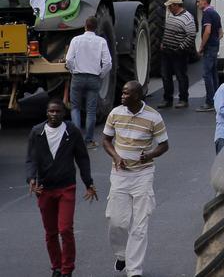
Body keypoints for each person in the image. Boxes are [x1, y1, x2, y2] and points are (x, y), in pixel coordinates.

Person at [103, 80, 168, 277]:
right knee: (116, 221)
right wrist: (116, 156)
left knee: (140, 225)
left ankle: (134, 270)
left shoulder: (153, 117)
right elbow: (106, 140)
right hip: (120, 174)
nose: (122, 96)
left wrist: (150, 155)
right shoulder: (115, 113)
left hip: (143, 175)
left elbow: (164, 145)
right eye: (122, 93)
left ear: (137, 96)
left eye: (126, 94)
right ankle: (122, 255)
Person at [27, 99, 96, 277]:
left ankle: (67, 269)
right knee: (50, 232)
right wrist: (31, 179)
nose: (54, 115)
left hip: (66, 187)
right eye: (51, 111)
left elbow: (82, 158)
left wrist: (88, 183)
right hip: (44, 189)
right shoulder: (37, 132)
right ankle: (56, 267)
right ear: (46, 113)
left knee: (65, 229)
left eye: (58, 111)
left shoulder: (72, 131)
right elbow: (31, 159)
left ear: (64, 114)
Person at [65, 16, 112, 147]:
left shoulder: (76, 40)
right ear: (96, 27)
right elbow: (108, 63)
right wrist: (101, 75)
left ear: (85, 26)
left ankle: (76, 139)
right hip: (94, 78)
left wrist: (73, 70)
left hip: (78, 77)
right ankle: (89, 139)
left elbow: (68, 60)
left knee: (75, 108)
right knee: (91, 110)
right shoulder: (101, 41)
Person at [159, 0, 195, 109]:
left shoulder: (187, 17)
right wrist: (163, 43)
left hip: (179, 53)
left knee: (181, 76)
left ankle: (183, 99)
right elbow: (167, 31)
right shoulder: (171, 15)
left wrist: (181, 48)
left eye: (170, 6)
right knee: (166, 76)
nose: (168, 8)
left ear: (175, 5)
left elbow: (191, 35)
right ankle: (167, 99)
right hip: (166, 51)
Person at [195, 0, 222, 113]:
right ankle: (217, 98)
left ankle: (210, 102)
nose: (197, 3)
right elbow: (221, 32)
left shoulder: (207, 13)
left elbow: (207, 31)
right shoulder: (215, 13)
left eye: (199, 1)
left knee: (207, 74)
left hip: (209, 47)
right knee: (213, 73)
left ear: (205, 1)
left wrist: (201, 46)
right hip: (215, 46)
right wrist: (215, 41)